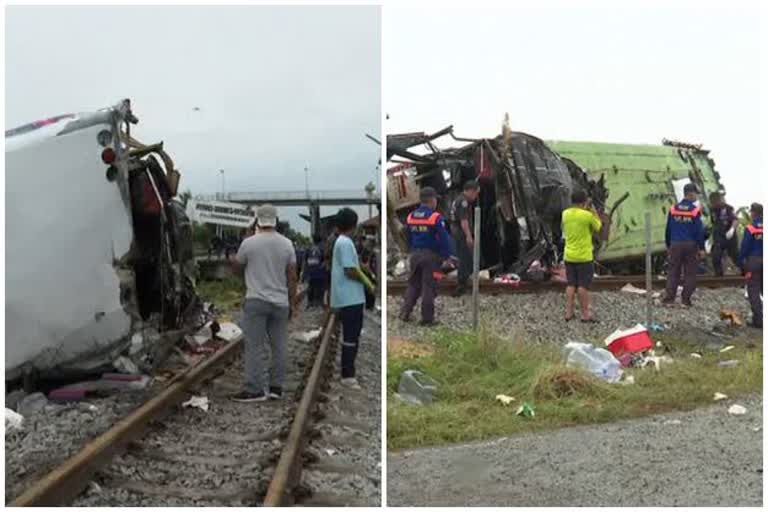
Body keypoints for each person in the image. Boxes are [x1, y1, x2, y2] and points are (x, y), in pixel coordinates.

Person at [228, 204, 298, 402]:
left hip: (256, 301)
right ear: (275, 220)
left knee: (254, 346)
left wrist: (233, 259)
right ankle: (276, 388)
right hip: (280, 303)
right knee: (279, 345)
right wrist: (292, 303)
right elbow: (292, 276)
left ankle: (255, 389)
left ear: (258, 219)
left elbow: (237, 269)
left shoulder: (248, 243)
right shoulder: (287, 244)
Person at [330, 208, 374, 389]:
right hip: (350, 298)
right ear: (354, 226)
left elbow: (352, 267)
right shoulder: (346, 243)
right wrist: (368, 283)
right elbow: (350, 270)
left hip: (347, 297)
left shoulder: (341, 242)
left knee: (351, 335)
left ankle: (348, 371)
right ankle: (348, 375)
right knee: (351, 336)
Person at [399, 187, 454, 326]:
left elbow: (408, 236)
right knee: (429, 286)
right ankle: (427, 318)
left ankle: (405, 312)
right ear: (432, 200)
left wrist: (411, 250)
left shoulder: (411, 216)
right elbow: (444, 238)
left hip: (415, 255)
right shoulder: (435, 217)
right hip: (432, 257)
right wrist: (447, 257)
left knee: (413, 284)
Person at [561, 189, 602, 322]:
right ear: (584, 201)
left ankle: (568, 313)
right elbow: (598, 226)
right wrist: (593, 210)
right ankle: (585, 315)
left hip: (569, 255)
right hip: (584, 257)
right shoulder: (587, 215)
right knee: (582, 286)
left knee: (571, 284)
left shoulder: (565, 214)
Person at [663, 183, 706, 307]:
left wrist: (668, 245)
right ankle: (685, 301)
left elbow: (668, 229)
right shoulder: (695, 210)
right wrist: (702, 248)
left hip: (675, 244)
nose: (696, 197)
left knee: (673, 272)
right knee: (690, 272)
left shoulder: (673, 208)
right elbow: (699, 231)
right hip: (690, 245)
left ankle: (669, 300)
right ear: (690, 193)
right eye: (695, 194)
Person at [449, 180, 480, 297]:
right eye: (476, 193)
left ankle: (464, 282)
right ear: (471, 191)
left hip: (456, 232)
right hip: (461, 233)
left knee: (464, 257)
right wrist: (468, 236)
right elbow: (464, 221)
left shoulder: (458, 199)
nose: (476, 196)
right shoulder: (463, 202)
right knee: (465, 258)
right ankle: (461, 285)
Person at [737, 203, 763, 328]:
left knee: (753, 290)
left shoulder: (751, 228)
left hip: (753, 261)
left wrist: (740, 261)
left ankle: (758, 320)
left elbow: (744, 247)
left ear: (752, 213)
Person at [709, 192, 739, 276]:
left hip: (730, 237)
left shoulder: (728, 208)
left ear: (719, 200)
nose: (714, 204)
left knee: (735, 257)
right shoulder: (712, 209)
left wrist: (732, 229)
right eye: (712, 203)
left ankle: (746, 273)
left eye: (715, 202)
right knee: (716, 257)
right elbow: (714, 222)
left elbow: (735, 220)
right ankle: (719, 277)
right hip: (719, 237)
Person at [304, 234, 327, 308]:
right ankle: (319, 302)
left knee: (310, 287)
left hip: (310, 271)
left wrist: (304, 271)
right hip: (320, 272)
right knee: (320, 287)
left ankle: (310, 302)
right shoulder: (322, 248)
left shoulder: (308, 248)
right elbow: (325, 260)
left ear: (313, 240)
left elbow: (305, 261)